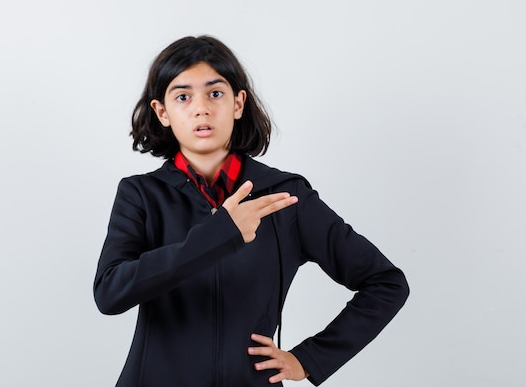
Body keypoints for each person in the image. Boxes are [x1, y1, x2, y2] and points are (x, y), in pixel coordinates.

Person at [93, 35, 409, 386]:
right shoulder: (140, 194)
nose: (201, 108)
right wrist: (220, 233)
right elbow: (109, 294)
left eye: (215, 93)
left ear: (238, 103)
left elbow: (386, 283)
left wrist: (308, 359)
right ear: (162, 112)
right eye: (183, 96)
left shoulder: (286, 197)